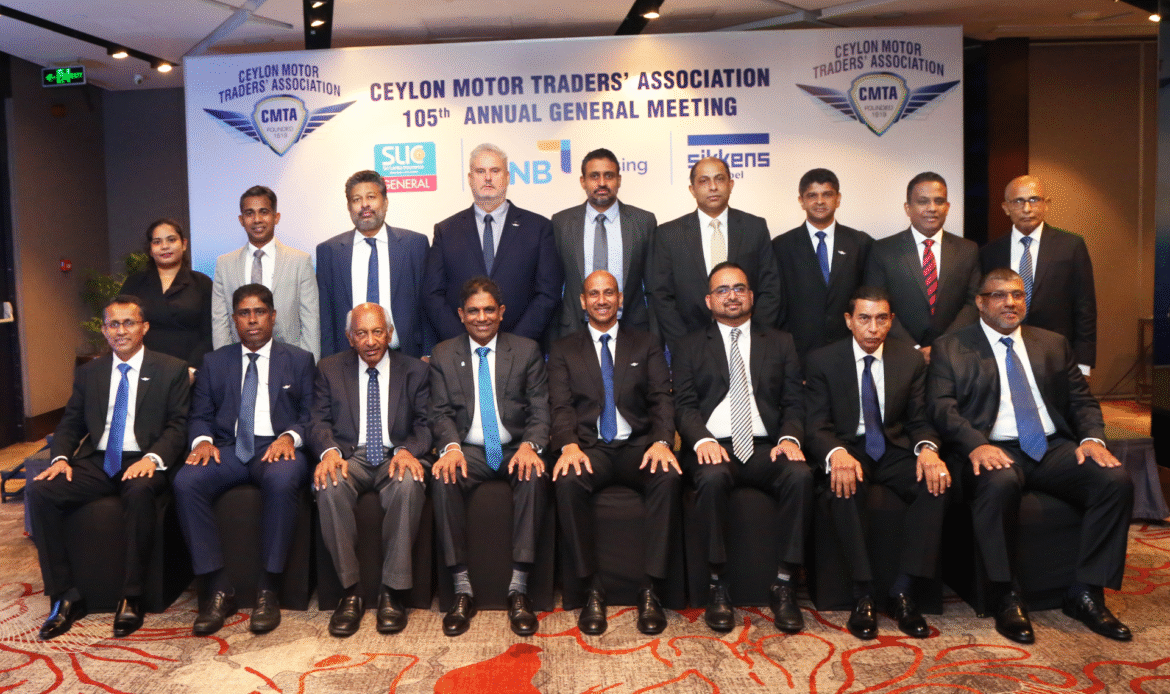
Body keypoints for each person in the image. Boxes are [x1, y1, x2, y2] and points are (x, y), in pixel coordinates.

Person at [928, 268, 1133, 644]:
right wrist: (975, 444)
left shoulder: (1052, 343)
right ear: (980, 303)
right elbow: (942, 408)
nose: (1010, 302)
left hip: (1051, 447)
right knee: (999, 482)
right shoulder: (952, 347)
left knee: (1114, 480)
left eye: (1018, 295)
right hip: (993, 447)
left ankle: (1086, 592)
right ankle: (1005, 595)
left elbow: (1082, 401)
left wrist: (1092, 440)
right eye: (999, 295)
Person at [28, 295, 190, 640]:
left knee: (140, 491)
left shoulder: (171, 369)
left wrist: (152, 459)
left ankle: (132, 596)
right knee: (41, 491)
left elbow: (178, 426)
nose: (120, 331)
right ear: (104, 330)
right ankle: (65, 596)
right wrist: (60, 459)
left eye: (128, 322)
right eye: (113, 324)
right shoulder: (90, 372)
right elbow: (71, 423)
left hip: (145, 458)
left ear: (144, 327)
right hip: (100, 460)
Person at [672, 262, 811, 634]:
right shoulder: (688, 345)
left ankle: (785, 583)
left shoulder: (780, 342)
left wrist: (789, 438)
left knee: (800, 475)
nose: (731, 296)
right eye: (722, 290)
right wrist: (702, 440)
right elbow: (684, 406)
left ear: (751, 296)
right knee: (712, 477)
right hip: (714, 446)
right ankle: (718, 584)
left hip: (766, 446)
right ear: (708, 300)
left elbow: (794, 402)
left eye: (738, 288)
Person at [804, 286, 948, 640]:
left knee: (937, 484)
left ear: (891, 321)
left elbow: (919, 420)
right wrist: (835, 453)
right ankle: (863, 594)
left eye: (881, 319)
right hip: (849, 446)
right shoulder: (823, 360)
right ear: (849, 320)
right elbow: (816, 425)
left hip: (894, 447)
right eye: (864, 318)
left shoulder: (909, 360)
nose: (873, 328)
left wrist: (928, 450)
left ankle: (902, 592)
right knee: (844, 486)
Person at [174, 284, 315, 636]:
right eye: (244, 313)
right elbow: (200, 414)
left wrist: (290, 437)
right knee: (186, 482)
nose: (252, 320)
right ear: (234, 319)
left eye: (259, 312)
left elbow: (312, 415)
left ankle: (268, 589)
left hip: (277, 446)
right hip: (227, 448)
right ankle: (218, 589)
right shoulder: (214, 361)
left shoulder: (299, 360)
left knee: (283, 479)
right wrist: (202, 441)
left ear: (273, 316)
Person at [548, 270, 678, 636]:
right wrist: (568, 444)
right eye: (594, 294)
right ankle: (591, 588)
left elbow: (661, 399)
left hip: (639, 446)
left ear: (621, 299)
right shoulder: (564, 349)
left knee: (668, 476)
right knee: (567, 480)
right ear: (582, 301)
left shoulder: (646, 342)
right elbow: (560, 405)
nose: (602, 300)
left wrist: (662, 441)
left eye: (609, 293)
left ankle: (650, 589)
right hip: (590, 448)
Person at [428, 277, 550, 637]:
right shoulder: (443, 354)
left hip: (514, 447)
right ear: (461, 315)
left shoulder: (526, 350)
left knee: (534, 474)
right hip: (469, 450)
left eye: (488, 310)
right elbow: (439, 413)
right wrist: (450, 448)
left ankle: (519, 589)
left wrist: (531, 446)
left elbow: (541, 411)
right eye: (473, 311)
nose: (481, 318)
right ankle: (461, 589)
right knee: (442, 476)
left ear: (501, 312)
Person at [310, 303, 431, 637]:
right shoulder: (329, 369)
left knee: (408, 483)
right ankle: (350, 592)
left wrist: (408, 450)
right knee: (329, 484)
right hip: (351, 456)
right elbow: (318, 420)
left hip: (396, 453)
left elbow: (426, 424)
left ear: (389, 333)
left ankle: (392, 592)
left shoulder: (415, 370)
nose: (370, 341)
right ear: (350, 338)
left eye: (377, 331)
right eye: (361, 333)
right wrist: (329, 453)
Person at [423, 143, 563, 344]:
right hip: (461, 352)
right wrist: (463, 344)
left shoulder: (538, 228)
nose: (488, 177)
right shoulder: (446, 231)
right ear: (470, 178)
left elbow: (548, 293)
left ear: (507, 177)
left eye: (495, 171)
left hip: (522, 350)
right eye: (480, 171)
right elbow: (433, 295)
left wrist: (516, 345)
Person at [649, 157, 781, 355]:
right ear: (692, 189)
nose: (713, 187)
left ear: (731, 184)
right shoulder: (669, 234)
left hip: (748, 341)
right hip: (690, 345)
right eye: (704, 181)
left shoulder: (755, 227)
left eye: (719, 179)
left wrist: (755, 335)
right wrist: (684, 345)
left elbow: (770, 287)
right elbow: (661, 295)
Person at [980, 175, 1097, 373]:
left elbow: (1085, 307)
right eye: (1018, 201)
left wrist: (1083, 364)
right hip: (1001, 354)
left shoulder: (1071, 246)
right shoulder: (990, 252)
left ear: (1046, 204)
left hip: (1056, 356)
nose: (1027, 209)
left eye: (1034, 200)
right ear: (1006, 208)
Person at [864, 172, 979, 363]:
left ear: (947, 207)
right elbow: (877, 306)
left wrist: (942, 346)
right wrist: (914, 349)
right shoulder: (883, 250)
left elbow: (973, 304)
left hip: (954, 355)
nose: (932, 208)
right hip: (900, 355)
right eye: (923, 201)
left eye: (939, 201)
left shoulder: (968, 250)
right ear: (908, 208)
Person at [317, 170, 432, 359]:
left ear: (385, 202)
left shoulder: (415, 245)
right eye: (356, 199)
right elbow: (325, 315)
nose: (364, 205)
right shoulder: (330, 251)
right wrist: (328, 362)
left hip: (406, 357)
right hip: (348, 359)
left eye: (371, 197)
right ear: (349, 207)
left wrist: (428, 353)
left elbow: (427, 304)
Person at [551, 148, 657, 340]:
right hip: (574, 331)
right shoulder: (561, 223)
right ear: (583, 181)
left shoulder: (643, 221)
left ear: (619, 180)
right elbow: (553, 287)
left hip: (633, 332)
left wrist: (656, 337)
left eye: (609, 175)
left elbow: (653, 287)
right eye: (594, 176)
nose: (601, 183)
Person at [772, 169, 873, 360]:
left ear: (838, 199)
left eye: (827, 194)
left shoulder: (860, 243)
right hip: (799, 353)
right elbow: (777, 304)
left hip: (850, 350)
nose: (820, 201)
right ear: (801, 201)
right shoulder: (781, 246)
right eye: (812, 195)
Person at [211, 185, 320, 359]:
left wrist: (308, 364)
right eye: (249, 213)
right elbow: (220, 321)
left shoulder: (300, 261)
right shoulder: (225, 264)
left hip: (289, 360)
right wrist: (224, 363)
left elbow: (310, 320)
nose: (257, 219)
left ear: (276, 217)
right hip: (241, 361)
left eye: (264, 212)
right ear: (241, 220)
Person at [120, 218, 213, 378]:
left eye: (171, 240)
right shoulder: (134, 283)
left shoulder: (201, 283)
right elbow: (122, 327)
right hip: (142, 370)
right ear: (150, 249)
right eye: (157, 242)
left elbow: (209, 333)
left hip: (189, 371)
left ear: (183, 244)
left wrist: (192, 370)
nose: (164, 246)